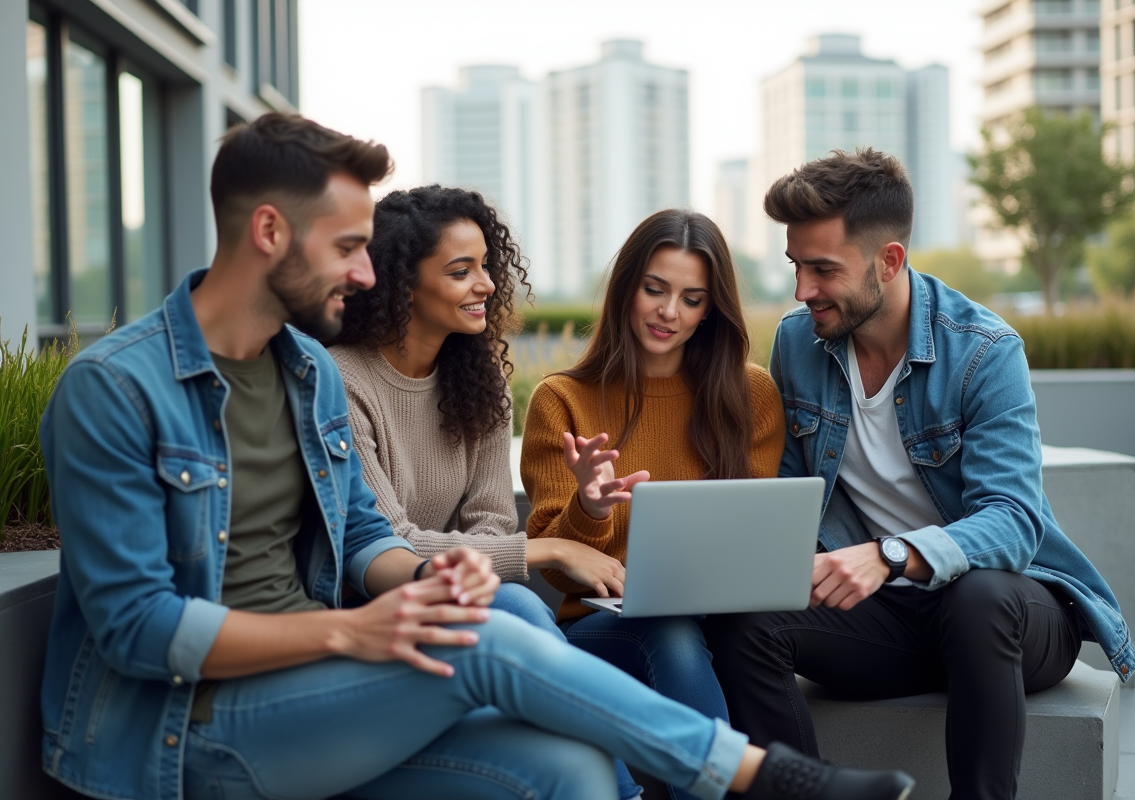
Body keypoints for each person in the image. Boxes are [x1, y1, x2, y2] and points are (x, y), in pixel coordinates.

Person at [38, 113, 916, 800]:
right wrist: (355, 627)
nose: (364, 273)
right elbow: (138, 629)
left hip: (320, 685)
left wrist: (439, 577)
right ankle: (760, 778)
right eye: (348, 248)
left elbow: (361, 537)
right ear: (269, 230)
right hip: (182, 727)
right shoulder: (116, 389)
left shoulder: (300, 373)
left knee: (568, 772)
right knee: (494, 640)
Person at [702, 148, 1135, 800]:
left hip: (1015, 616)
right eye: (796, 266)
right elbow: (795, 495)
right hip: (893, 623)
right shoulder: (799, 343)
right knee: (743, 622)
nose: (802, 291)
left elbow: (1013, 521)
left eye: (823, 270)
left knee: (978, 596)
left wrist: (890, 555)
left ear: (891, 261)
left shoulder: (985, 351)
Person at [326, 184, 643, 799]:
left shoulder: (480, 381)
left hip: (461, 603)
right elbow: (387, 543)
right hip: (373, 611)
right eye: (460, 270)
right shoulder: (338, 381)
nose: (488, 285)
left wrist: (513, 553)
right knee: (522, 608)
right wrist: (546, 551)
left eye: (486, 267)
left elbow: (493, 524)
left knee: (520, 616)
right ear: (401, 284)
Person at [520, 209, 786, 800]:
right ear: (626, 289)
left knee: (682, 631)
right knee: (667, 631)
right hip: (603, 631)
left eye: (692, 299)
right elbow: (554, 564)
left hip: (723, 624)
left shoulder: (751, 395)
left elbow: (758, 536)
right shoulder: (562, 400)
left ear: (711, 309)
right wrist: (589, 507)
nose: (670, 313)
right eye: (655, 290)